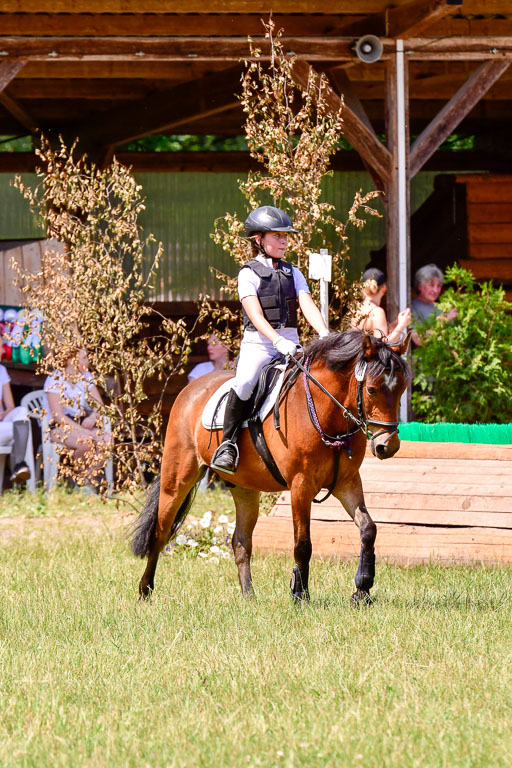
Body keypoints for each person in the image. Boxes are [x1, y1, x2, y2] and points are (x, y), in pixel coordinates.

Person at [209, 205, 329, 475]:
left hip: (291, 342)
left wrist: (323, 332)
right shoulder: (247, 273)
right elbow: (255, 314)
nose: (284, 241)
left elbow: (306, 303)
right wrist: (276, 340)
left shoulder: (293, 272)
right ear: (258, 239)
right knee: (245, 383)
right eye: (277, 235)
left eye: (285, 236)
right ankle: (227, 444)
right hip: (260, 345)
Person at [43, 348, 110, 490]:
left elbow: (100, 407)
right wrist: (82, 431)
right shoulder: (55, 378)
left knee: (107, 440)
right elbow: (57, 415)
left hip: (80, 424)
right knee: (86, 442)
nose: (88, 361)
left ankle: (85, 482)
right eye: (84, 358)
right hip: (58, 427)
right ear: (70, 359)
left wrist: (93, 417)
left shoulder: (86, 376)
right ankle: (78, 479)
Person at [0, 337, 32, 484]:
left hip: (3, 426)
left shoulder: (2, 370)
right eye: (1, 347)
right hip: (6, 429)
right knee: (21, 429)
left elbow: (11, 406)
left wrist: (4, 414)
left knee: (22, 411)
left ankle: (18, 464)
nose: (3, 351)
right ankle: (17, 465)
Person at [352, 267, 411, 344]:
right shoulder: (377, 312)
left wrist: (394, 325)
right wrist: (402, 325)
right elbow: (383, 343)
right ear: (384, 288)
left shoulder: (356, 308)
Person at [410, 264, 457, 345]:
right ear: (419, 286)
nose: (435, 290)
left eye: (439, 286)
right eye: (431, 285)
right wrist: (444, 320)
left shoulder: (443, 308)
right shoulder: (412, 308)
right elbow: (418, 339)